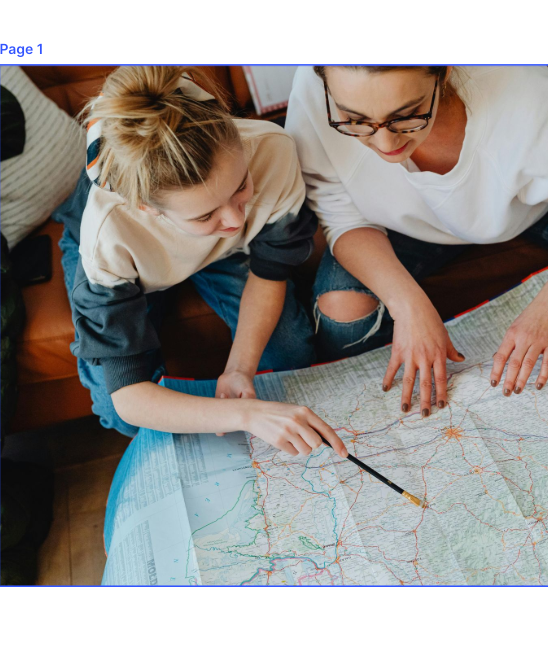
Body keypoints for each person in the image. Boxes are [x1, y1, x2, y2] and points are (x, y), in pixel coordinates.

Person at [285, 66, 548, 419]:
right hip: (395, 226)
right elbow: (342, 215)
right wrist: (406, 303)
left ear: (443, 73)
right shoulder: (315, 86)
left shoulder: (533, 101)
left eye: (407, 116)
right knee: (343, 313)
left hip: (542, 208)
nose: (384, 144)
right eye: (354, 120)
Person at [49, 66, 346, 458]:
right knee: (116, 412)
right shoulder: (108, 233)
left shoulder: (271, 149)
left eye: (241, 187)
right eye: (205, 215)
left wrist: (240, 369)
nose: (237, 221)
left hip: (220, 255)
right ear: (146, 208)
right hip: (132, 271)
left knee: (288, 355)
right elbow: (129, 398)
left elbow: (269, 270)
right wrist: (243, 415)